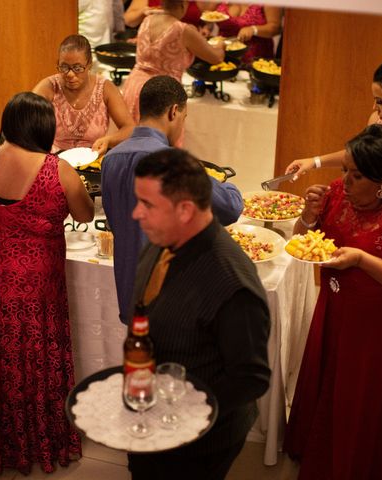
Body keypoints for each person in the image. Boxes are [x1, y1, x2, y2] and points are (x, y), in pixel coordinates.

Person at [0, 92, 94, 475]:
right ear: (45, 129)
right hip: (33, 281)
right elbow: (84, 212)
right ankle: (36, 436)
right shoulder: (56, 169)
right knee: (33, 353)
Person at [284, 124, 382, 479]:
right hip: (337, 314)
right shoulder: (337, 194)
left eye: (356, 175)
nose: (344, 181)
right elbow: (303, 240)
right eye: (344, 169)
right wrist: (308, 217)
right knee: (333, 392)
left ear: (381, 181)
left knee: (363, 404)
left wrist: (361, 260)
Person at [128, 148, 270, 480]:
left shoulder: (232, 284)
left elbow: (251, 378)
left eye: (147, 204)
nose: (136, 214)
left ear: (186, 210)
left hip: (197, 444)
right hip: (151, 418)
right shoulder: (163, 240)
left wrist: (180, 405)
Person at [102, 75, 242, 324]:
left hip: (130, 296)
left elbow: (115, 223)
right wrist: (228, 187)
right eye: (184, 118)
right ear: (173, 112)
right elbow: (229, 208)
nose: (181, 125)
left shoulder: (110, 160)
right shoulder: (171, 162)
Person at [286, 56, 382, 193]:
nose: (374, 107)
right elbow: (357, 155)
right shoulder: (377, 122)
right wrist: (313, 162)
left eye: (380, 101)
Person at [122, 0, 225, 123]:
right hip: (162, 92)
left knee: (132, 137)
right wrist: (221, 45)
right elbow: (216, 57)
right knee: (158, 140)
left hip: (134, 86)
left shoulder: (147, 20)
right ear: (183, 5)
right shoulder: (184, 30)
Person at [33, 34, 134, 155]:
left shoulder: (104, 88)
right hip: (55, 160)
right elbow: (26, 121)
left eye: (77, 68)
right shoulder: (49, 87)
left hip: (93, 158)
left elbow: (130, 128)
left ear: (89, 64)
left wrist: (108, 140)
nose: (70, 74)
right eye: (64, 67)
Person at [203, 3, 282, 64]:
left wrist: (254, 29)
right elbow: (207, 15)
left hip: (256, 58)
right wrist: (207, 27)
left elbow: (276, 27)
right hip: (223, 54)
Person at [124, 0, 208, 28]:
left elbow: (206, 16)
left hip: (192, 47)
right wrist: (145, 10)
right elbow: (129, 21)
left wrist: (206, 27)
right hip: (157, 48)